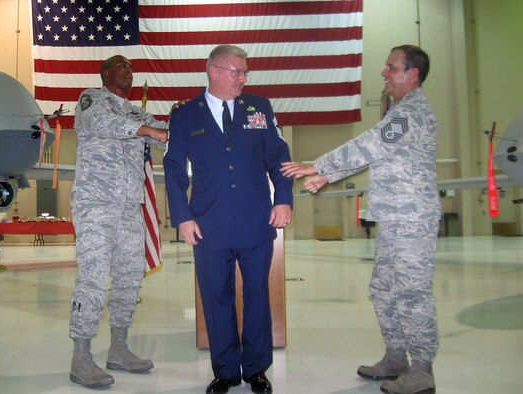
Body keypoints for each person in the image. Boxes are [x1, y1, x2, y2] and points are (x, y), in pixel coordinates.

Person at [281, 45, 440, 394]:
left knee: (412, 293)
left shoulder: (411, 112)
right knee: (384, 289)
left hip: (413, 220)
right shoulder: (400, 112)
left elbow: (370, 144)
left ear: (411, 73)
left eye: (390, 66)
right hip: (394, 218)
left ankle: (423, 370)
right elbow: (374, 155)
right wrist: (326, 177)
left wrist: (318, 165)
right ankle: (397, 357)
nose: (384, 72)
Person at [164, 45, 293, 394]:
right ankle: (225, 371)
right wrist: (182, 217)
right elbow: (174, 169)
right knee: (215, 296)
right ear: (214, 71)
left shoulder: (259, 108)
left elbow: (279, 156)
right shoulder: (185, 115)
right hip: (207, 225)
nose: (243, 78)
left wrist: (283, 199)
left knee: (256, 295)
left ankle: (255, 369)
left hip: (255, 221)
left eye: (244, 72)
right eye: (236, 71)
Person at [68, 55, 169, 389]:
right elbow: (101, 124)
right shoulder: (91, 99)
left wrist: (180, 122)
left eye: (131, 68)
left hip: (129, 208)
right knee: (94, 279)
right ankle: (81, 356)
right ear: (105, 73)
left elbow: (161, 136)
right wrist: (144, 129)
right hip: (95, 205)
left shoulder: (137, 111)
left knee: (128, 279)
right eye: (121, 66)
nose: (129, 71)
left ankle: (119, 348)